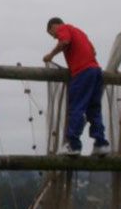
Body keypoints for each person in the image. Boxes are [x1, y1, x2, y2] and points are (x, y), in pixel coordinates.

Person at [43, 17, 110, 156]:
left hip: (82, 73)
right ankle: (101, 144)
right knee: (94, 109)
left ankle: (73, 145)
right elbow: (93, 51)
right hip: (96, 72)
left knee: (76, 107)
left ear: (55, 25)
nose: (55, 37)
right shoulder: (80, 32)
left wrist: (50, 55)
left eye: (52, 33)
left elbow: (64, 41)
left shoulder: (64, 28)